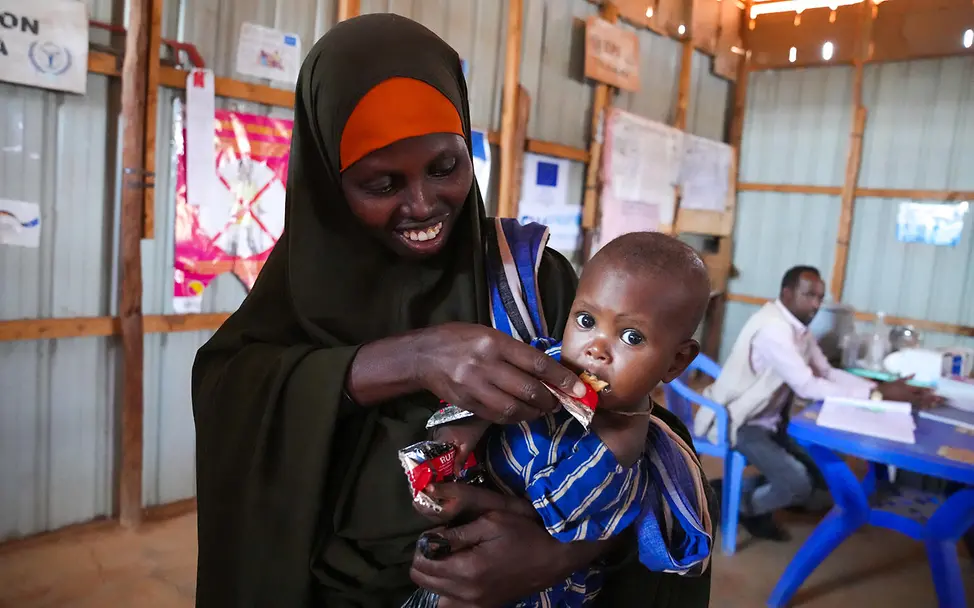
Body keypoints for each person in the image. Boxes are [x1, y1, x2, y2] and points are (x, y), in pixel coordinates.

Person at [192, 13, 712, 608]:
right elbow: (232, 401)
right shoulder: (297, 292)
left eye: (445, 167)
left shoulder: (529, 279)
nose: (423, 205)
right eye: (382, 184)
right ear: (329, 184)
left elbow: (637, 439)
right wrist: (413, 359)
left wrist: (559, 554)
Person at [417, 232, 715, 607]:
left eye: (631, 337)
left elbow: (539, 521)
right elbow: (491, 395)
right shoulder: (551, 360)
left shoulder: (615, 448)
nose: (596, 349)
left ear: (676, 361)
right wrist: (461, 434)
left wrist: (465, 499)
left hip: (532, 580)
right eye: (586, 320)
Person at [694, 265, 941, 541]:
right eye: (809, 295)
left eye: (819, 297)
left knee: (823, 477)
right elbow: (807, 385)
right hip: (741, 422)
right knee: (799, 483)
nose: (815, 305)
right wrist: (879, 394)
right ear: (787, 294)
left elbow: (825, 372)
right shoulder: (774, 329)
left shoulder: (799, 329)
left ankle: (735, 491)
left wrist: (877, 388)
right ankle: (730, 504)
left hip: (772, 421)